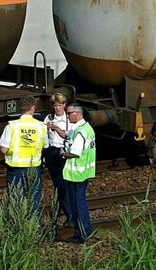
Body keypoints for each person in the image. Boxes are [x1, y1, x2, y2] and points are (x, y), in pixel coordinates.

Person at [0, 95, 46, 213]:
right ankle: (35, 228)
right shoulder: (41, 126)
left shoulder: (11, 126)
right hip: (34, 167)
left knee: (16, 201)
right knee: (34, 200)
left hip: (15, 169)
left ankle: (19, 228)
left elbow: (4, 149)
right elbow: (45, 145)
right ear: (32, 108)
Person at [61, 104, 96, 244]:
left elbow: (75, 152)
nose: (67, 116)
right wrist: (56, 129)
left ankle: (81, 234)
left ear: (77, 114)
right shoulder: (86, 128)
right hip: (83, 172)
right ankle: (86, 229)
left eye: (69, 113)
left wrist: (63, 154)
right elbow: (67, 135)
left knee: (77, 205)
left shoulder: (80, 132)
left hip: (76, 174)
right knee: (81, 203)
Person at [42, 92, 72, 225]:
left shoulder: (68, 120)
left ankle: (60, 214)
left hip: (62, 153)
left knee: (61, 185)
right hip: (50, 152)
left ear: (64, 105)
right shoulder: (48, 118)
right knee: (57, 184)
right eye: (55, 106)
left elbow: (70, 136)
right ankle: (64, 214)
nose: (57, 108)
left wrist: (58, 130)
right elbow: (44, 136)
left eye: (59, 105)